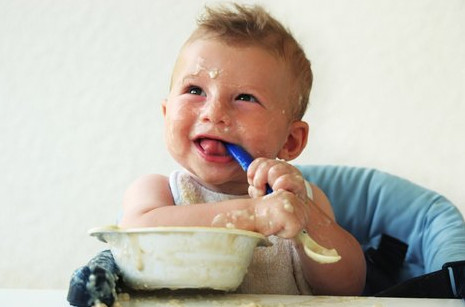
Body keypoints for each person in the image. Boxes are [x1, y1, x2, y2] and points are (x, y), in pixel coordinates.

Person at [68, 3, 366, 306]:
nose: (214, 113)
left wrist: (304, 215)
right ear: (166, 113)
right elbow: (138, 233)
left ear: (290, 140)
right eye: (195, 90)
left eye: (245, 98)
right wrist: (254, 216)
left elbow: (350, 286)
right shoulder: (159, 193)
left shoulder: (297, 200)